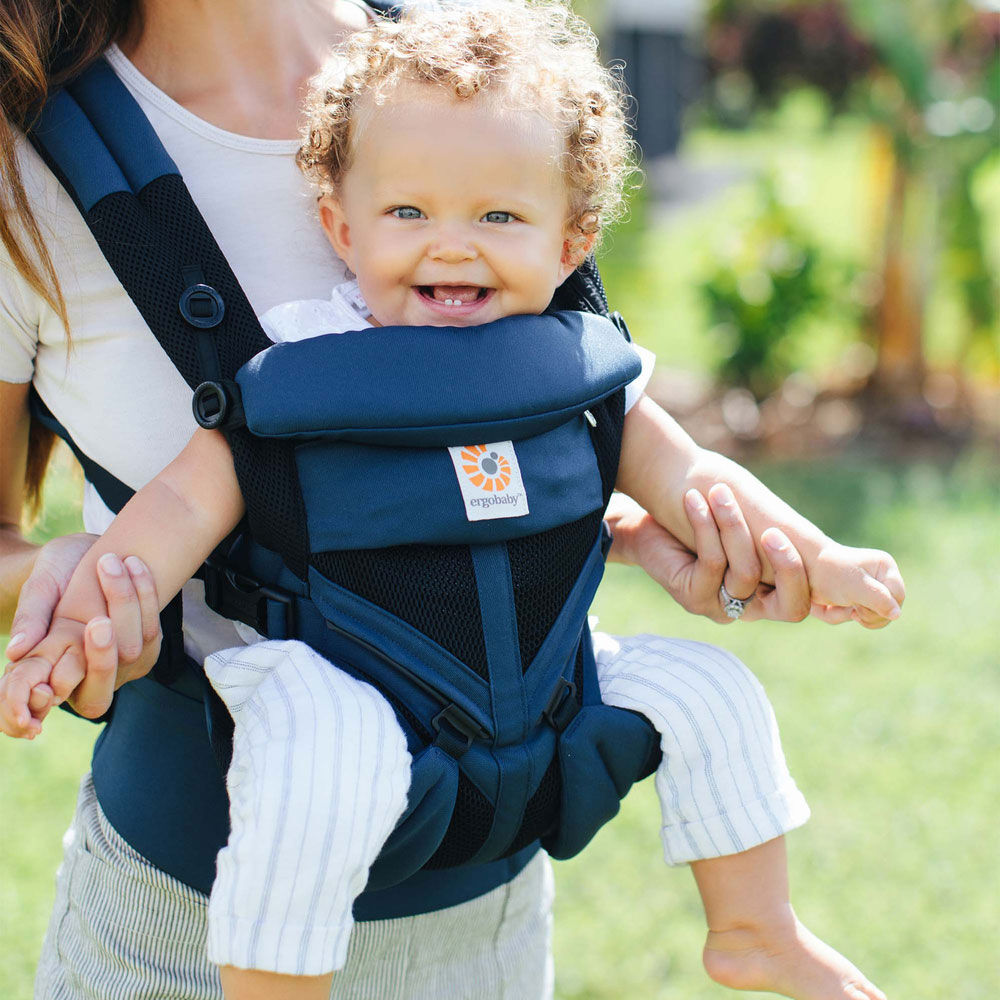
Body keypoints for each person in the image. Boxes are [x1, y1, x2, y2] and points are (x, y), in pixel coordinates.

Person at [0, 4, 903, 1000]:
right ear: (339, 221)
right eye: (410, 218)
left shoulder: (478, 82)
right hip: (186, 916)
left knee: (713, 694)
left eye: (498, 220)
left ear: (574, 237)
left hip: (492, 905)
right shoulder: (291, 344)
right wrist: (75, 608)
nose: (453, 250)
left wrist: (810, 556)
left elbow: (685, 471)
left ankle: (754, 927)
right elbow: (179, 506)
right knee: (320, 753)